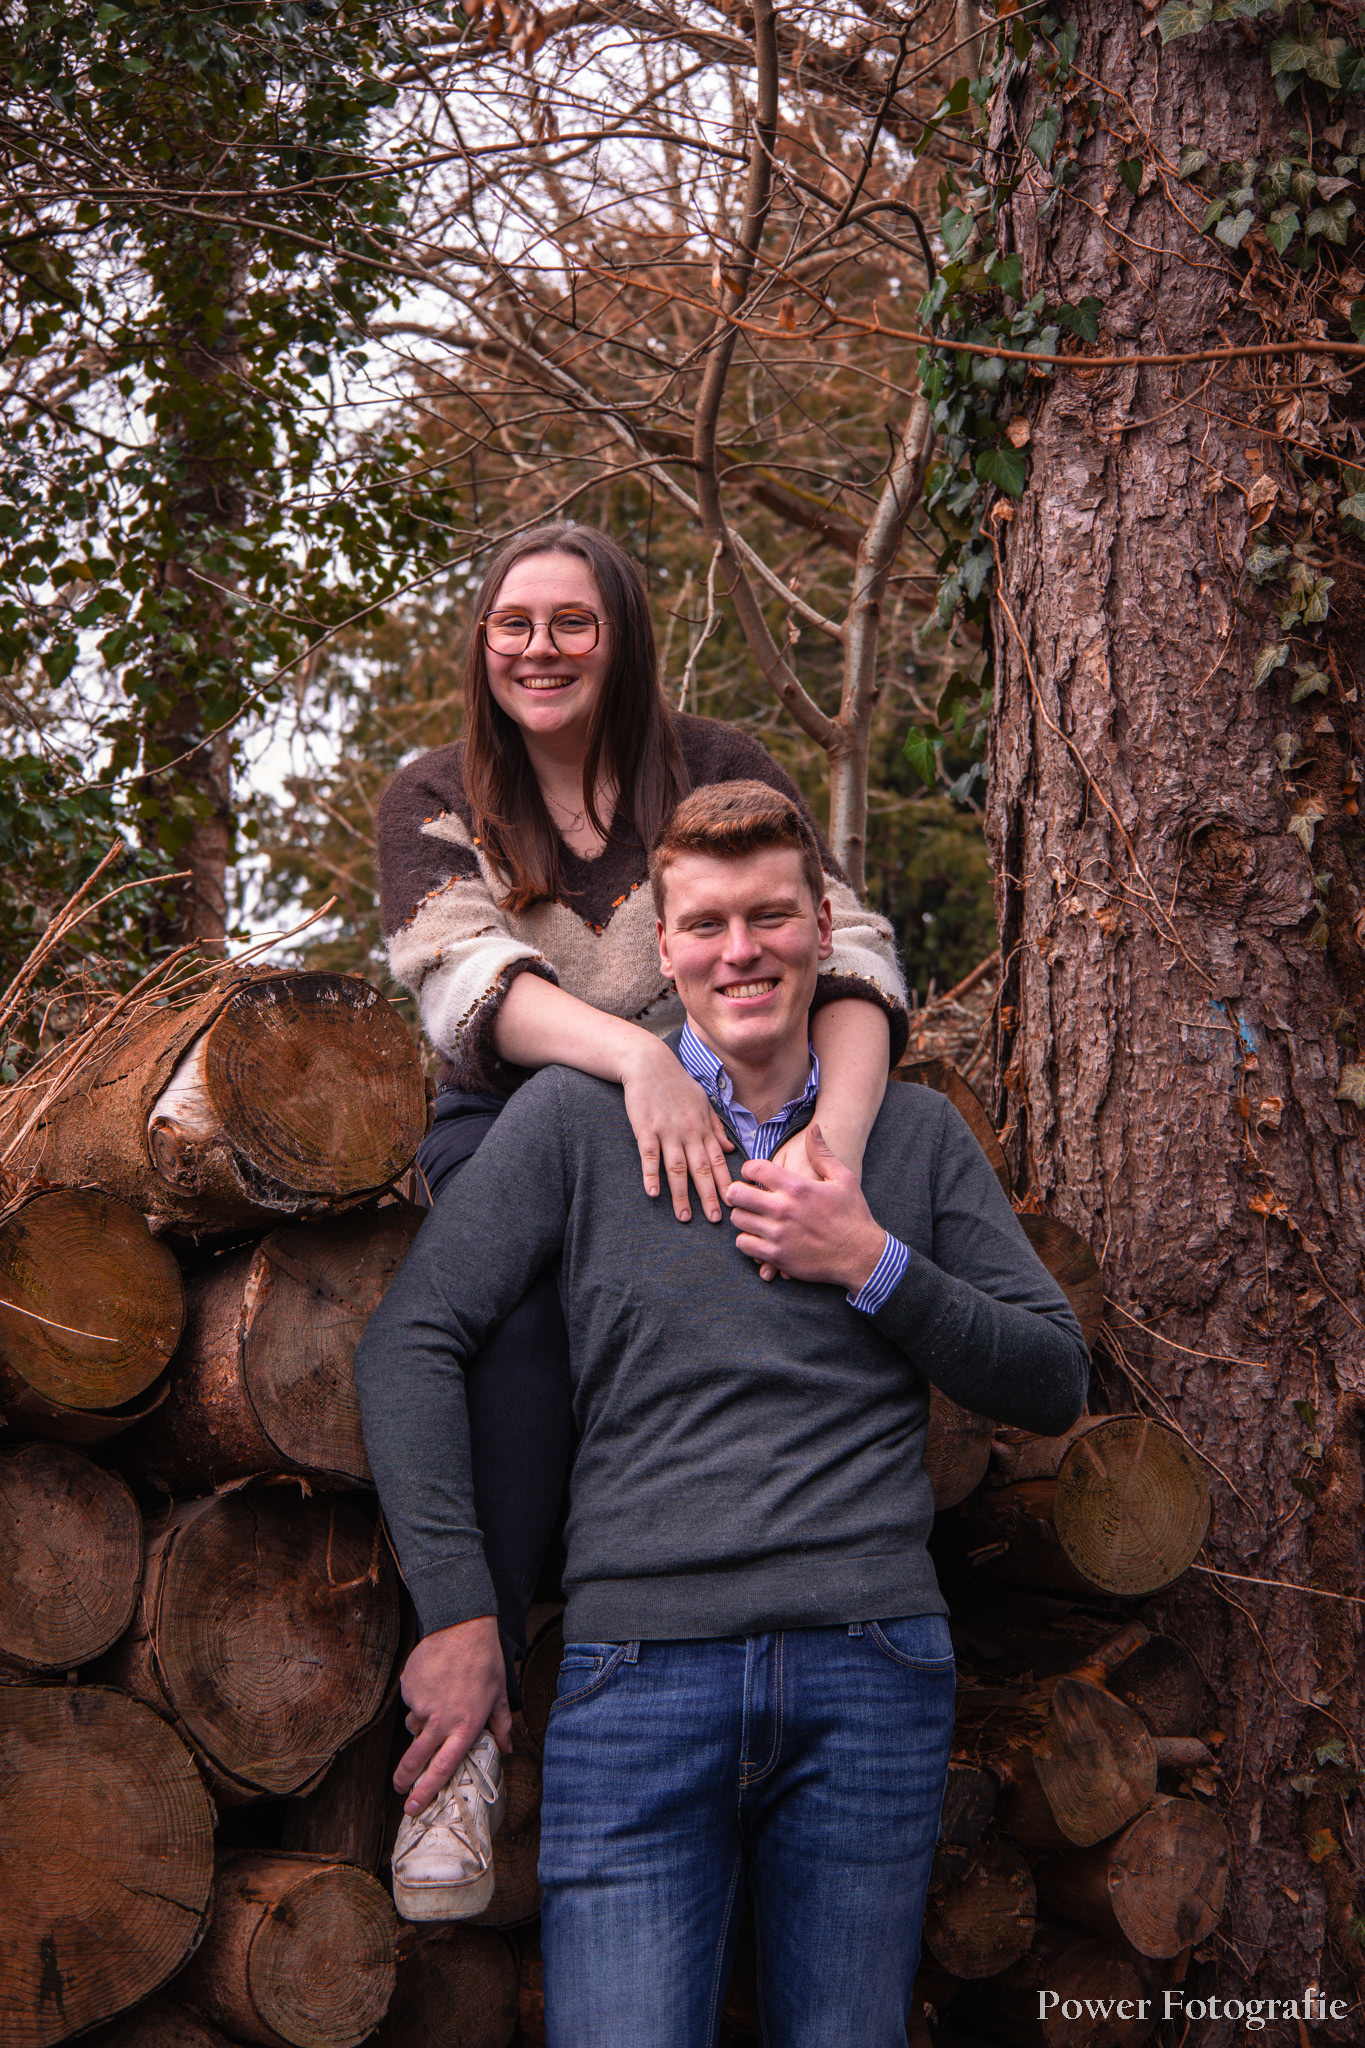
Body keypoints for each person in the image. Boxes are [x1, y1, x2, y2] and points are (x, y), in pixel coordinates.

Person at [355, 781, 1090, 2046]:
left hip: (871, 1670)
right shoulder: (574, 1121)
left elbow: (1053, 1375)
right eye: (704, 924)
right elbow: (409, 1341)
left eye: (770, 916)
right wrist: (462, 1607)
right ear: (664, 944)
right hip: (639, 1676)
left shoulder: (911, 1134)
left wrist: (871, 1261)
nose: (740, 951)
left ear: (823, 929)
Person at [375, 521, 909, 1708]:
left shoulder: (717, 765)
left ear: (621, 637)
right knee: (525, 1319)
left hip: (724, 1111)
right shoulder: (435, 794)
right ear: (481, 642)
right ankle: (478, 1659)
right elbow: (462, 980)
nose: (541, 648)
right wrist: (636, 1061)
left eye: (574, 622)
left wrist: (835, 1138)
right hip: (508, 1119)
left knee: (750, 1291)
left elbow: (852, 948)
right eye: (514, 624)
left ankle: (768, 1625)